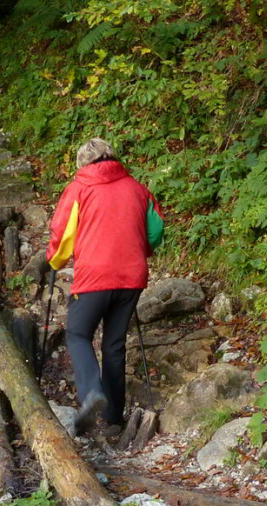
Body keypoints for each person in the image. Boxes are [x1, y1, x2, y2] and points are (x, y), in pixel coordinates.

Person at [44, 138, 164, 435]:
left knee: (77, 333)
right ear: (112, 157)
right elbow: (156, 230)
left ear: (83, 163)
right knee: (114, 344)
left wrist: (55, 260)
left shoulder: (79, 189)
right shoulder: (138, 189)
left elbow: (62, 232)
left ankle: (91, 393)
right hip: (132, 276)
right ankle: (113, 419)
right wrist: (140, 252)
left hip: (95, 276)